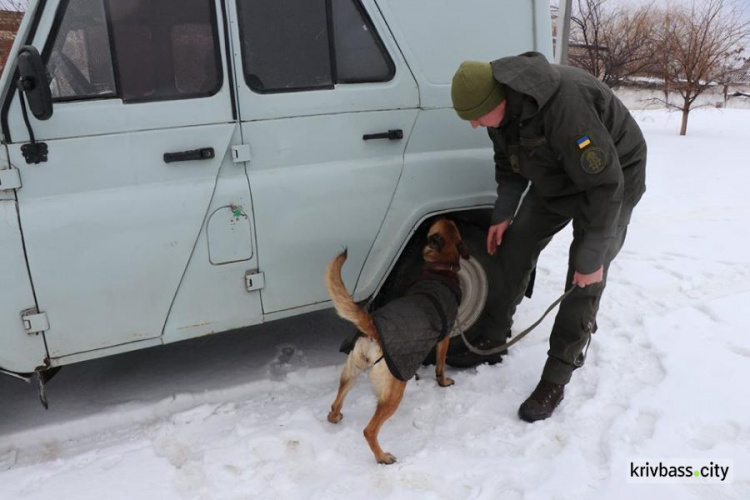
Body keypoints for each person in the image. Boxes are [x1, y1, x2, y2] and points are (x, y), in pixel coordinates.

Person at [448, 52, 647, 422]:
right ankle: (493, 336)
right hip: (557, 175)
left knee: (583, 278)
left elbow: (604, 185)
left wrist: (592, 260)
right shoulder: (500, 112)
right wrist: (505, 211)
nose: (475, 125)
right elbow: (507, 164)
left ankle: (557, 374)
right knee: (516, 244)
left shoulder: (564, 107)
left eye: (476, 117)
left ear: (498, 101)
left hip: (611, 178)